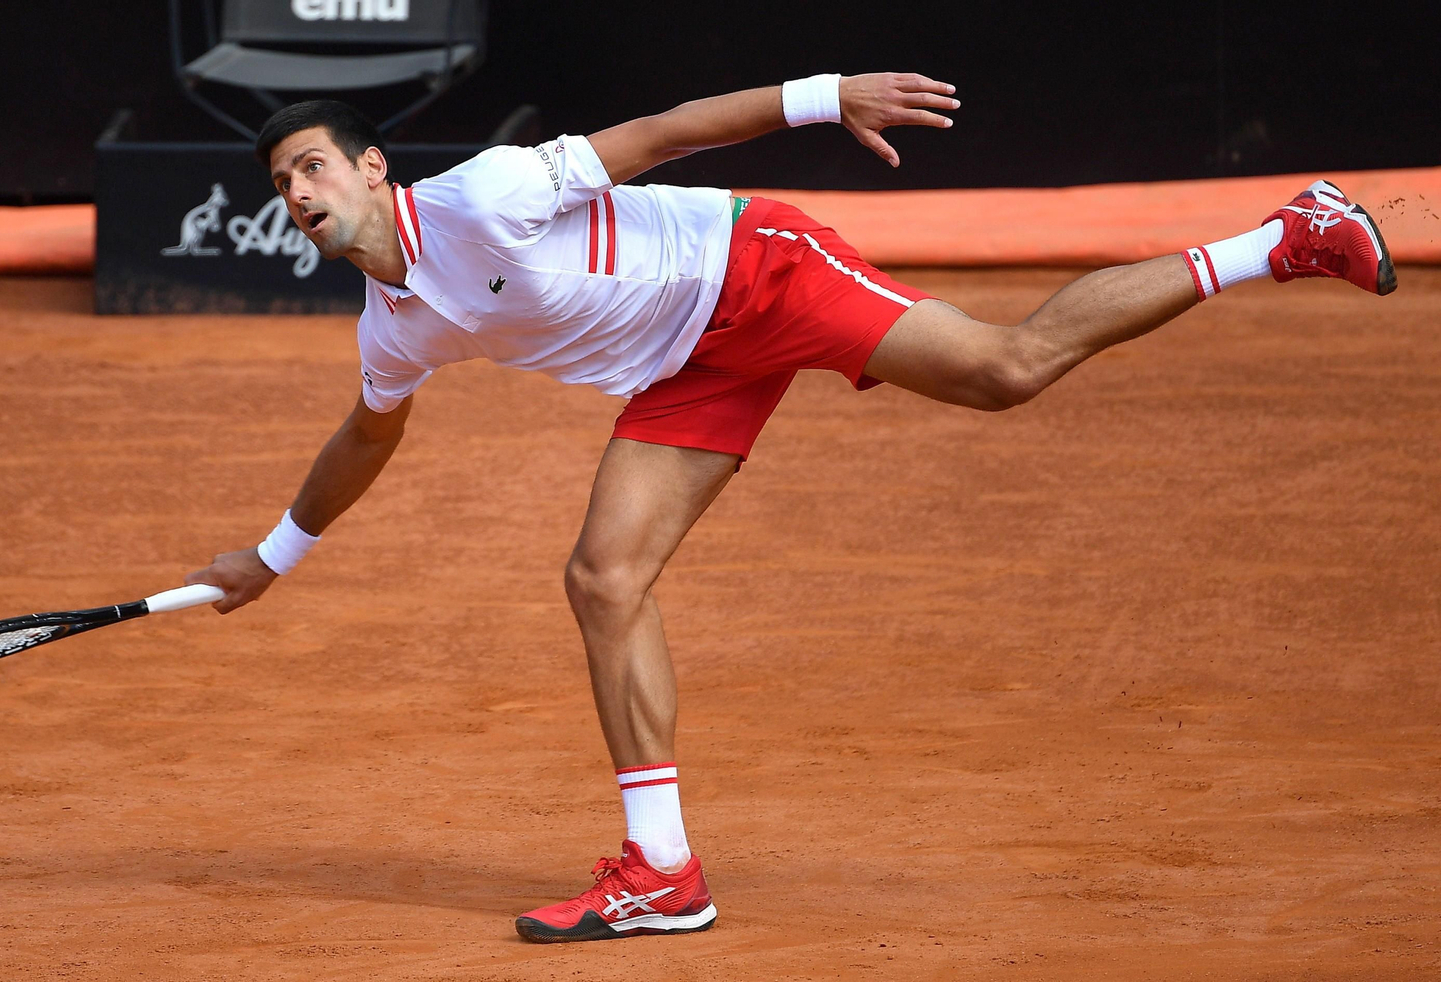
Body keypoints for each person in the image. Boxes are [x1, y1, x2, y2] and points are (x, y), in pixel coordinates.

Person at [183, 72, 1397, 944]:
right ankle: (664, 871)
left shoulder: (485, 195)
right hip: (687, 365)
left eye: (312, 165)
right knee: (603, 578)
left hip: (759, 268)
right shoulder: (395, 323)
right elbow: (369, 432)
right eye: (282, 181)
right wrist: (276, 556)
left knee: (1002, 371)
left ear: (372, 168)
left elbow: (655, 134)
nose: (297, 190)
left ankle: (1284, 239)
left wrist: (825, 98)